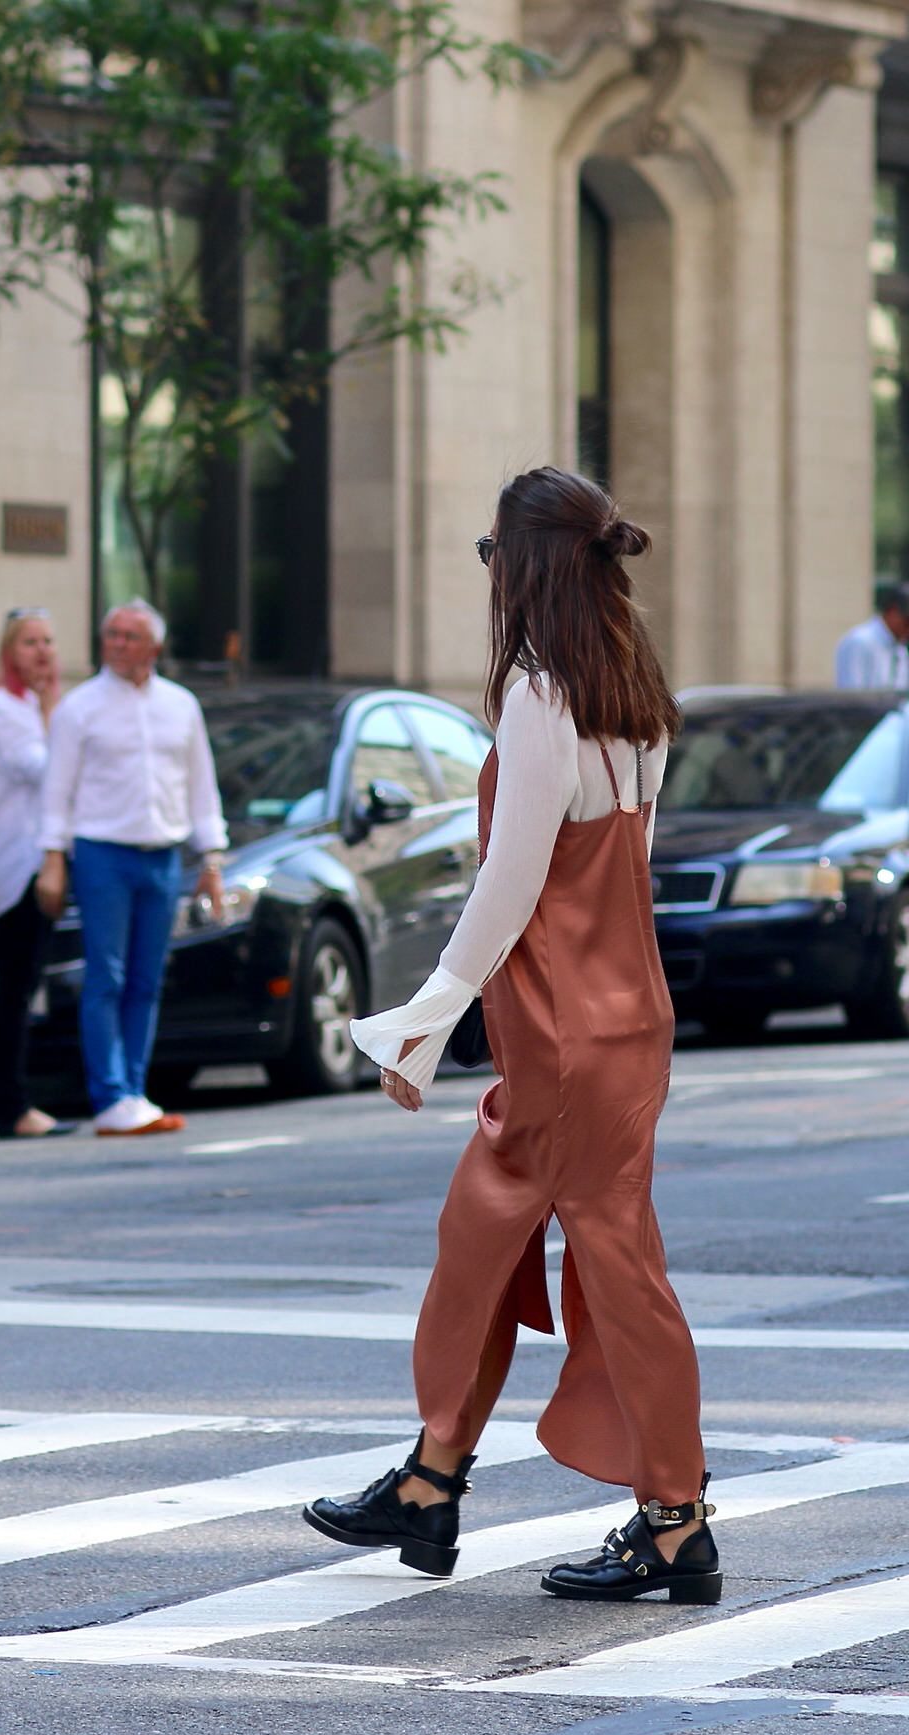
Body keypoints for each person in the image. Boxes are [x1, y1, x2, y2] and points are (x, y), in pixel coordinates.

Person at [304, 467, 722, 1606]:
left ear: (527, 565)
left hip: (567, 1036)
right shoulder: (628, 687)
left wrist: (422, 1018)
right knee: (497, 1237)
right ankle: (435, 1478)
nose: (489, 579)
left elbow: (511, 880)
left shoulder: (543, 694)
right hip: (622, 1023)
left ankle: (675, 1522)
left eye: (494, 557)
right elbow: (617, 875)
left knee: (611, 1266)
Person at [38, 601, 227, 1137]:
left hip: (163, 857)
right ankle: (110, 1095)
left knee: (147, 979)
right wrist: (53, 860)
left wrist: (210, 861)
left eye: (130, 635)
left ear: (154, 646)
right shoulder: (80, 707)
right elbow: (58, 791)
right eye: (112, 634)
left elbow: (200, 788)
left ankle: (134, 1090)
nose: (118, 643)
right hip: (103, 853)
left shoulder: (181, 705)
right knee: (107, 976)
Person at [0, 609, 78, 1142]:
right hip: (15, 865)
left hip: (36, 859)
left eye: (49, 641)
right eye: (30, 642)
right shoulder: (2, 709)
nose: (42, 651)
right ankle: (10, 1105)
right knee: (15, 987)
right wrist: (56, 711)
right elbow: (44, 767)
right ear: (10, 652)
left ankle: (17, 1100)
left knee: (25, 983)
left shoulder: (30, 706)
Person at [834, 584, 909, 689]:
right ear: (893, 612)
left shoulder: (900, 647)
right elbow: (852, 697)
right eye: (907, 622)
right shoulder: (860, 642)